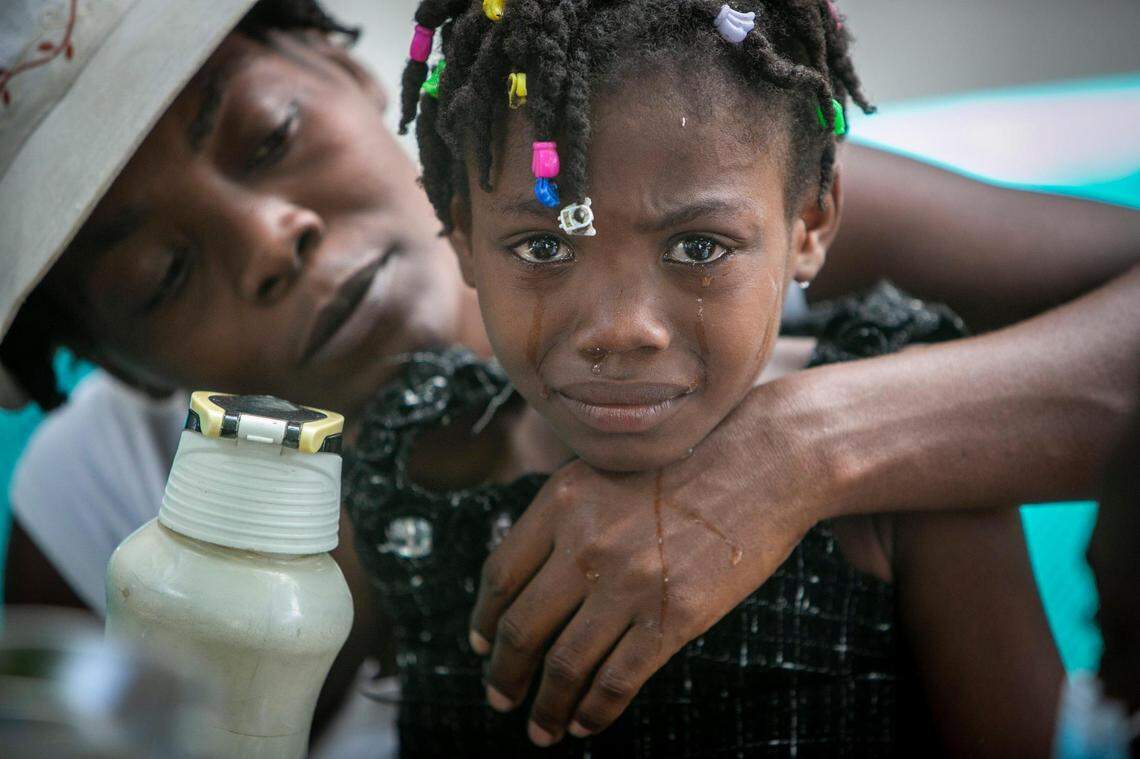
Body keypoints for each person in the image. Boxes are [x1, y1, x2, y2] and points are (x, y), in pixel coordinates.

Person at [0, 0, 1137, 748]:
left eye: (266, 134)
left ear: (340, 65)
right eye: (157, 276)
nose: (270, 238)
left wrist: (804, 448)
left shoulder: (700, 182)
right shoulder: (109, 518)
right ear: (105, 358)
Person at [339, 1, 1061, 755]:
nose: (620, 329)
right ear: (462, 238)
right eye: (544, 248)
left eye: (698, 248)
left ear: (811, 224)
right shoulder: (418, 456)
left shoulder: (910, 465)